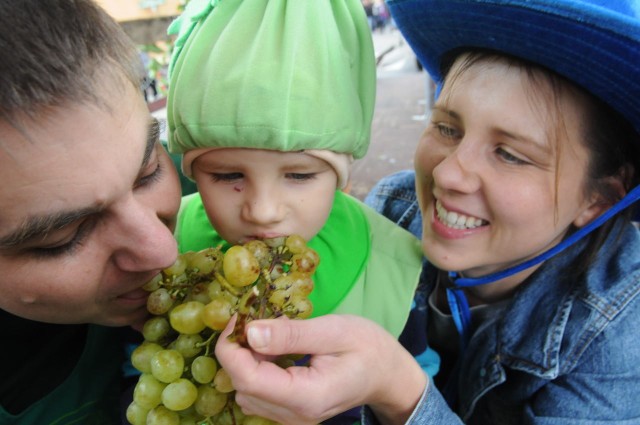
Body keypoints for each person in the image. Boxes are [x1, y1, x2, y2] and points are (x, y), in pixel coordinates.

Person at [213, 0, 640, 424]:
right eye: (447, 128)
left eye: (510, 155)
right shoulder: (390, 214)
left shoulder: (621, 323)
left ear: (597, 199)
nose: (449, 174)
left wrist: (398, 392)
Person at [164, 3, 435, 423]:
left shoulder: (392, 266)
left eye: (299, 175)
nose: (263, 211)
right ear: (193, 173)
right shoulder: (163, 247)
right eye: (228, 175)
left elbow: (419, 384)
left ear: (342, 177)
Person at [0, 1, 182, 423]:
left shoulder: (223, 195)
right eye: (62, 238)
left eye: (148, 171)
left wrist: (372, 391)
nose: (163, 251)